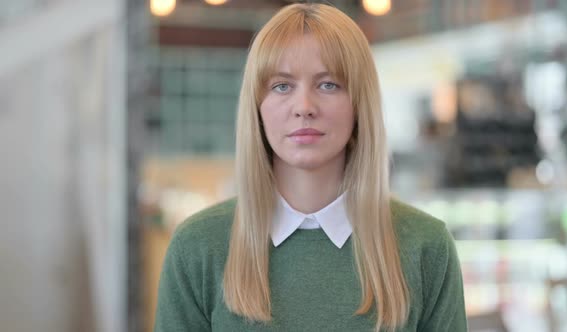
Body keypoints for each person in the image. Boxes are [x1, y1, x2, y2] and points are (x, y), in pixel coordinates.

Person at [154, 3, 467, 332]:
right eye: (281, 86)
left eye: (328, 84)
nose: (304, 107)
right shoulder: (198, 247)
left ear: (359, 104)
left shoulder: (426, 246)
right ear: (256, 107)